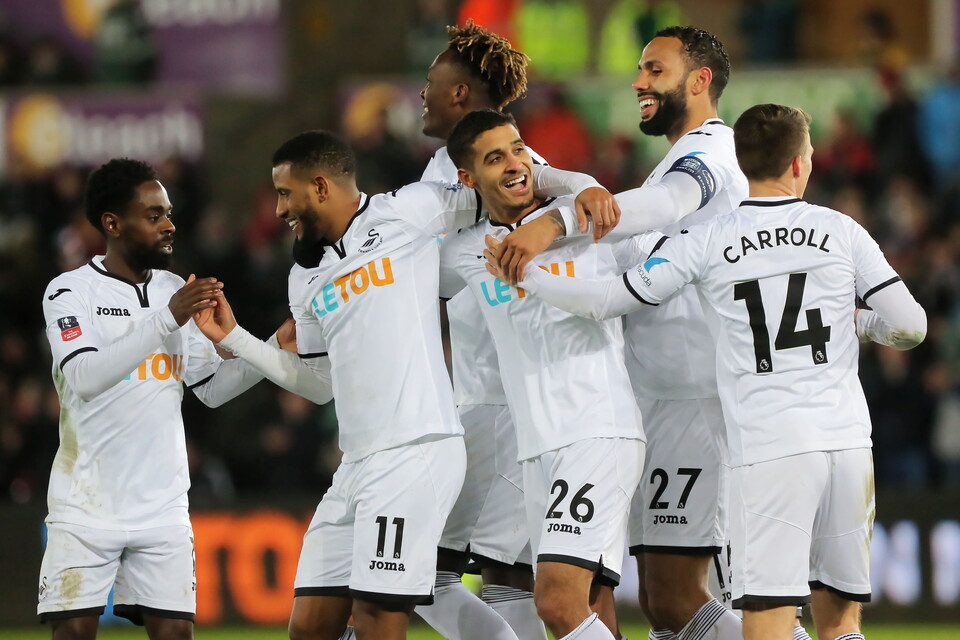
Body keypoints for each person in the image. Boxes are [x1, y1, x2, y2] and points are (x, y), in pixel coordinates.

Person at [487, 103, 927, 640]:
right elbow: (911, 327)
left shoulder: (711, 239)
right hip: (848, 442)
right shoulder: (841, 231)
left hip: (770, 448)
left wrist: (529, 277)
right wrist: (857, 323)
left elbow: (607, 298)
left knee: (767, 619)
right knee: (841, 621)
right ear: (799, 165)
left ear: (741, 163)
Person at [192, 130, 607, 640]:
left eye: (285, 193)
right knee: (309, 629)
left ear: (320, 186)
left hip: (416, 451)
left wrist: (580, 188)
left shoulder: (411, 209)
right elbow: (319, 384)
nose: (279, 210)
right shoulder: (305, 277)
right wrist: (237, 339)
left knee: (377, 621)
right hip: (355, 465)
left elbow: (505, 182)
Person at [489, 26, 750, 640]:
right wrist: (537, 173)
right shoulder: (676, 158)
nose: (638, 81)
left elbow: (660, 206)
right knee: (666, 602)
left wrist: (551, 223)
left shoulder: (711, 154)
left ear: (700, 80)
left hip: (695, 398)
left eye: (655, 70)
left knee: (680, 599)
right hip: (661, 398)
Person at [37, 158, 266, 639]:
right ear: (112, 223)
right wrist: (167, 318)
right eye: (155, 214)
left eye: (169, 213)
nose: (170, 224)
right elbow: (83, 375)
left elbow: (210, 389)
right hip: (86, 504)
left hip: (163, 506)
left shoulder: (172, 288)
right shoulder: (68, 291)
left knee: (175, 636)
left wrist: (266, 354)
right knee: (74, 635)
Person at [440, 108, 641, 640]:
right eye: (494, 157)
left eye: (518, 148)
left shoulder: (581, 219)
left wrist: (585, 186)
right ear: (467, 178)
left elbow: (658, 252)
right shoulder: (464, 252)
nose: (514, 163)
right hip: (535, 448)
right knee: (591, 607)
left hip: (597, 428)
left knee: (554, 600)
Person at [417, 20, 546, 640]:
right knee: (512, 578)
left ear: (461, 95)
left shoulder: (457, 172)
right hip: (532, 406)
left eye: (431, 83)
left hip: (490, 407)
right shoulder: (534, 165)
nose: (423, 93)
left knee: (417, 574)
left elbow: (422, 276)